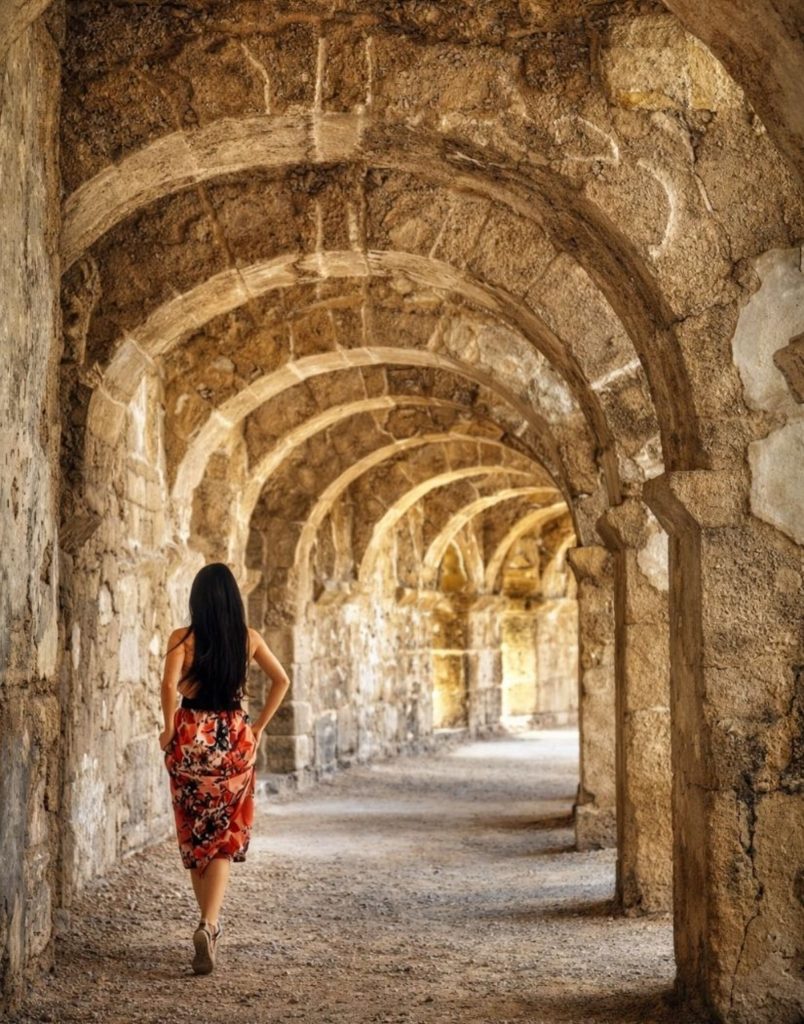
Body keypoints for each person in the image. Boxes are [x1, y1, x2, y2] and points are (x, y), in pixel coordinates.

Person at [158, 562, 290, 975]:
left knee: (196, 833)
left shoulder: (182, 638)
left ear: (196, 599)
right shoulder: (247, 639)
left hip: (191, 738)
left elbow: (167, 685)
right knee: (222, 836)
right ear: (234, 599)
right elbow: (281, 680)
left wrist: (167, 729)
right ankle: (209, 925)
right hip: (233, 739)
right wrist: (257, 727)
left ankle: (207, 926)